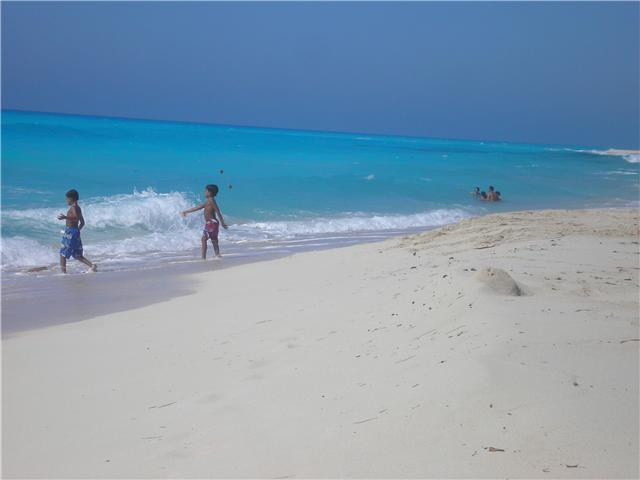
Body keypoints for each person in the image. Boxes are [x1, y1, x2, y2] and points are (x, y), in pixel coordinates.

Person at [181, 184, 229, 259]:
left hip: (211, 223)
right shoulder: (208, 201)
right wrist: (186, 211)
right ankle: (217, 255)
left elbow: (218, 211)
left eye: (206, 191)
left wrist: (222, 223)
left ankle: (203, 258)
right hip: (212, 223)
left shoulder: (211, 200)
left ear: (210, 192)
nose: (204, 192)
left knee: (204, 239)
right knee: (214, 240)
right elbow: (198, 207)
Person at [57, 189, 97, 273]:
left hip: (70, 232)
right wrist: (77, 231)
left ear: (71, 198)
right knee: (77, 254)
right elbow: (82, 222)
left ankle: (63, 273)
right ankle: (92, 266)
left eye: (67, 199)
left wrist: (65, 217)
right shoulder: (78, 208)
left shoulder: (73, 208)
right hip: (75, 232)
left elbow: (75, 217)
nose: (66, 201)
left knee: (62, 253)